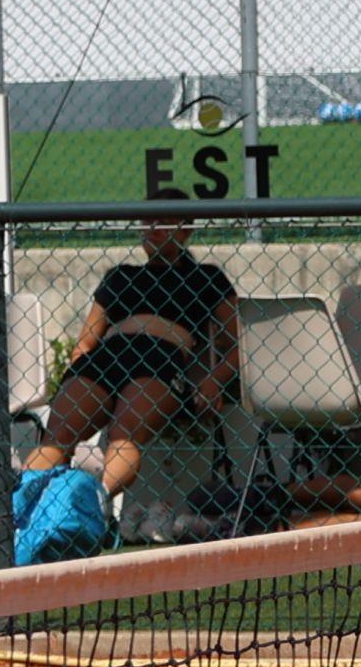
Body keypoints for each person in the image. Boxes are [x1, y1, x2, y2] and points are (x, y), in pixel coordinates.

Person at [24, 191, 239, 501]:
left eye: (164, 222)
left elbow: (237, 343)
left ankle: (95, 504)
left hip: (158, 358)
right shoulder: (121, 276)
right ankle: (20, 509)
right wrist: (76, 370)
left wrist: (213, 380)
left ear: (186, 229)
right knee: (58, 435)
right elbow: (86, 341)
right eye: (147, 221)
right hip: (107, 356)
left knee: (124, 433)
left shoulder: (205, 277)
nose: (152, 229)